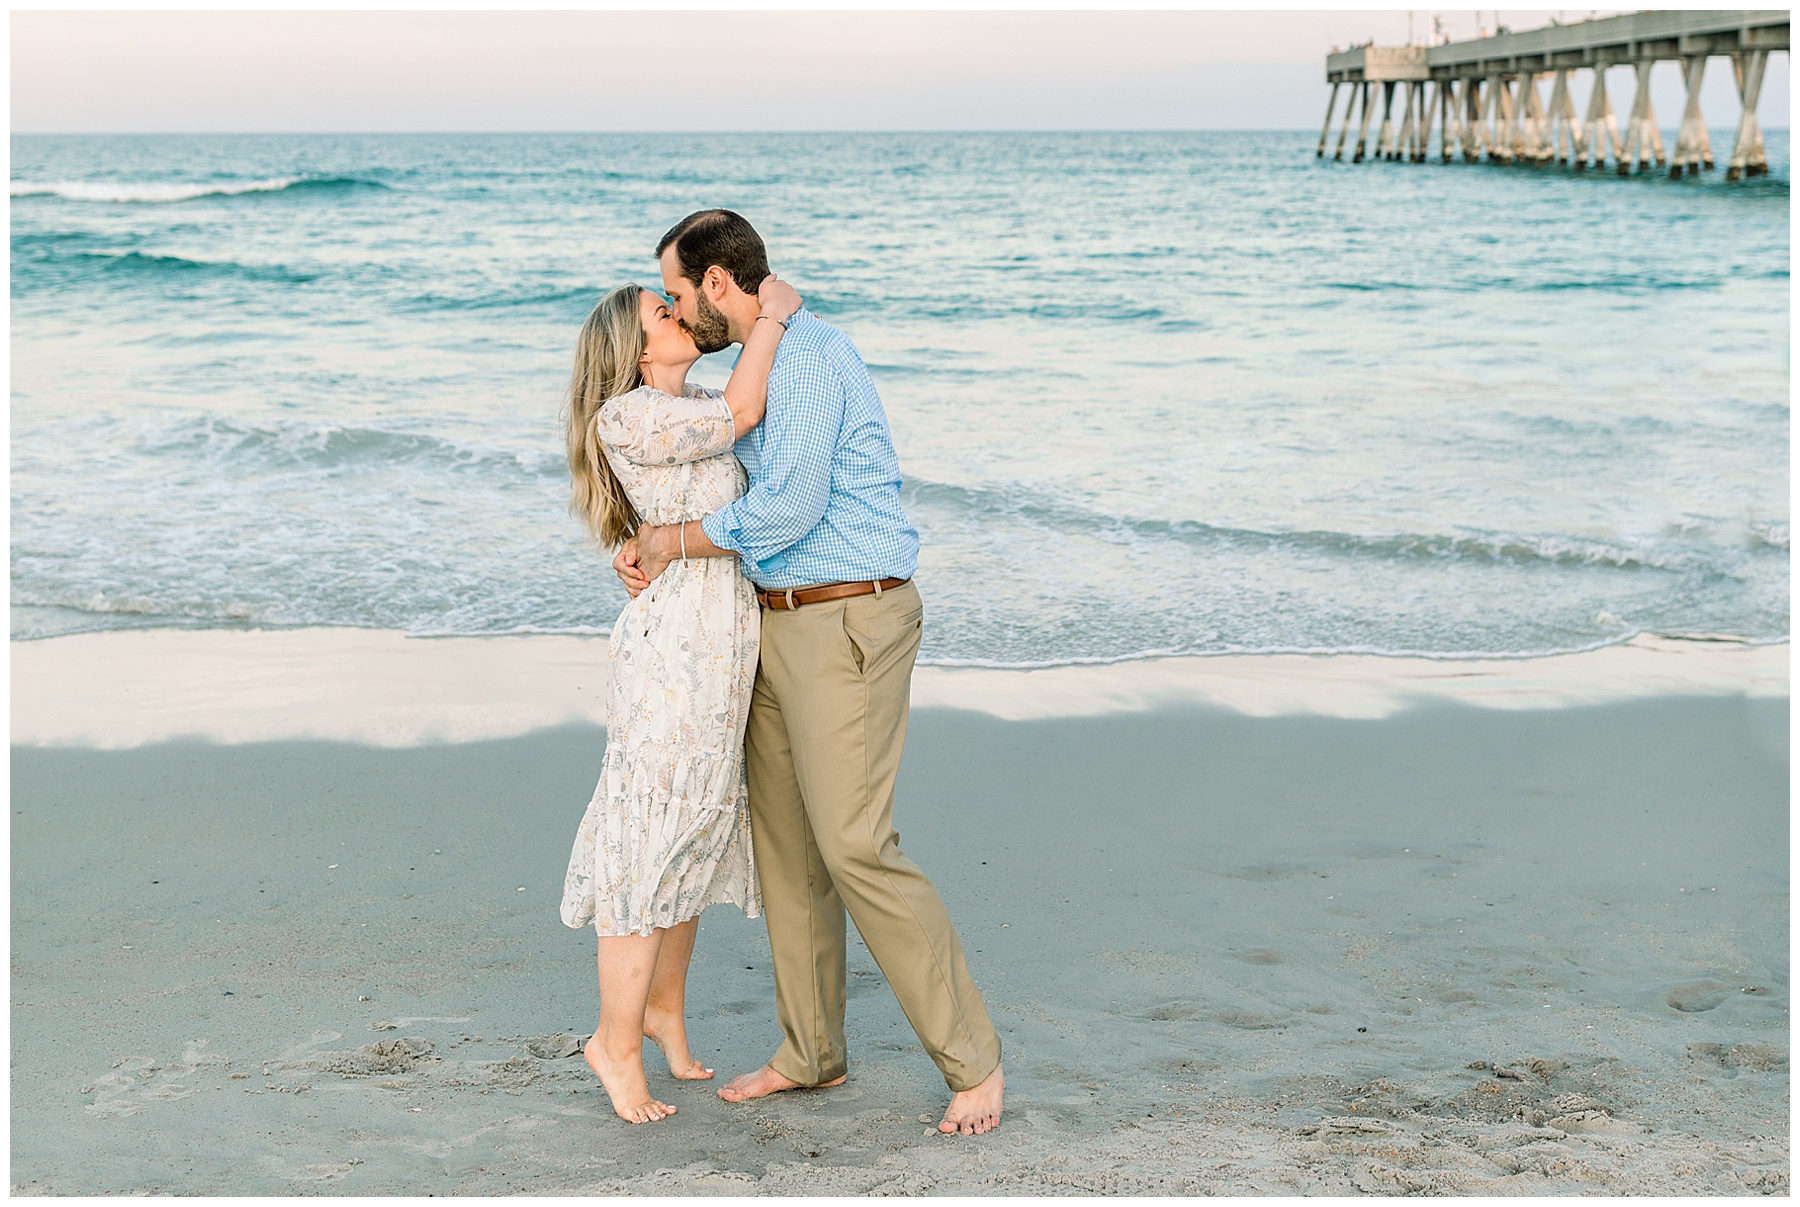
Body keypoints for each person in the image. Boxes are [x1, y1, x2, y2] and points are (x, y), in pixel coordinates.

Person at [614, 209, 1005, 1136]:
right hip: (775, 622)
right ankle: (811, 1051)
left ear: (717, 285)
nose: (674, 308)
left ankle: (974, 1060)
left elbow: (787, 506)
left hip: (849, 618)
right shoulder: (759, 361)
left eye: (675, 291)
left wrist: (671, 541)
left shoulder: (813, 357)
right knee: (786, 851)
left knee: (855, 843)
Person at [558, 271, 803, 1124]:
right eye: (664, 311)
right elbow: (742, 413)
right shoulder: (628, 413)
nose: (679, 315)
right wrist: (773, 317)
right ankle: (613, 1046)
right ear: (633, 347)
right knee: (648, 838)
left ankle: (661, 1010)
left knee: (693, 831)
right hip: (672, 656)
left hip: (719, 646)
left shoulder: (688, 396)